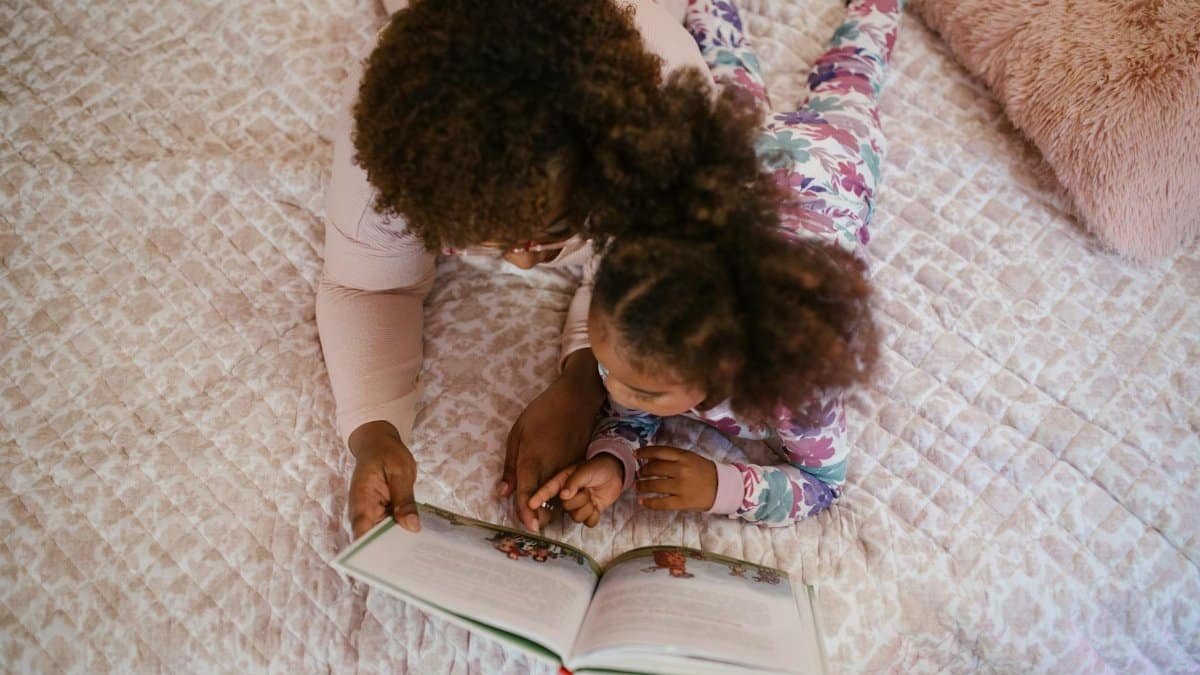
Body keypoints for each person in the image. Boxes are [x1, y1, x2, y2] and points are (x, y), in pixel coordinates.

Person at [319, 0, 730, 539]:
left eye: (553, 232)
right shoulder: (382, 153)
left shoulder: (665, 119)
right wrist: (374, 431)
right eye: (479, 239)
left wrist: (585, 380)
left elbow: (641, 278)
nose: (520, 261)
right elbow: (364, 286)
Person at [529, 0, 903, 526]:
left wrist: (722, 486)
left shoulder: (798, 394)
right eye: (607, 369)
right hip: (741, 160)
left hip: (833, 155)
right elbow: (629, 415)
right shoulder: (643, 337)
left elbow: (822, 483)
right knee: (720, 62)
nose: (611, 390)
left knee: (852, 72)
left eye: (642, 390)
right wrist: (612, 461)